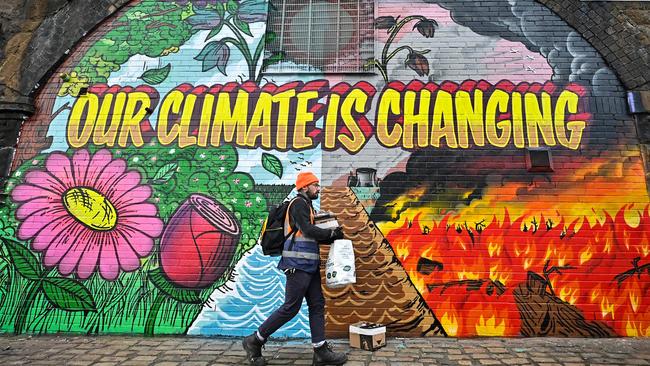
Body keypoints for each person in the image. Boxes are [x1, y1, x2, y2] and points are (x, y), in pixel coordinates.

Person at [243, 171, 347, 366]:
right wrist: (332, 232)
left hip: (309, 264)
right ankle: (254, 340)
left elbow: (309, 235)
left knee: (317, 304)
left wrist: (332, 235)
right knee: (290, 308)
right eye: (315, 185)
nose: (318, 188)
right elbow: (308, 230)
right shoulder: (298, 204)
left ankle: (320, 350)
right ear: (305, 187)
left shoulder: (307, 205)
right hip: (297, 265)